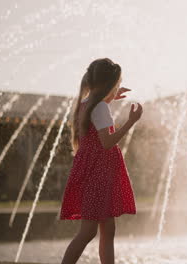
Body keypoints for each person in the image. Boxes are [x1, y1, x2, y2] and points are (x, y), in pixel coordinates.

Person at [59, 58, 143, 264]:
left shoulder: (87, 104)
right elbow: (107, 142)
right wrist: (130, 122)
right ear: (109, 84)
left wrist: (110, 97)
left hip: (95, 171)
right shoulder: (100, 108)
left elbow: (97, 114)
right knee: (88, 232)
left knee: (108, 229)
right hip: (99, 173)